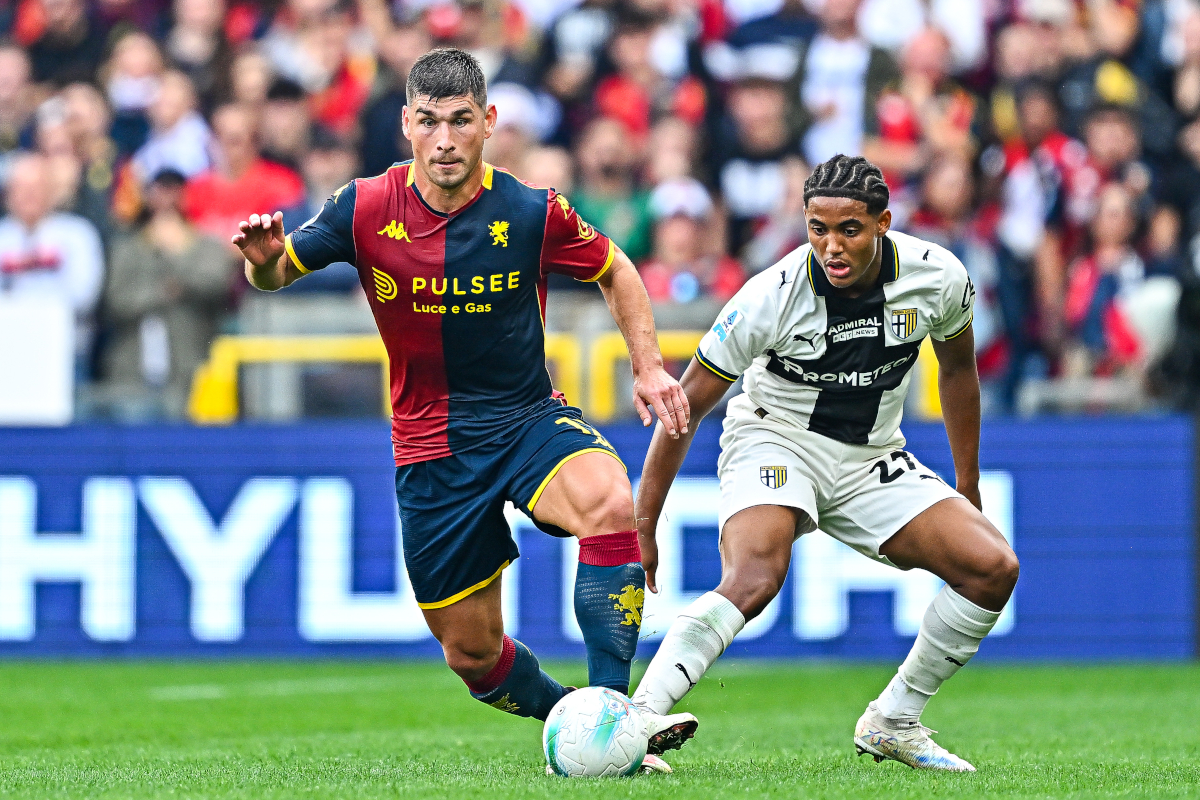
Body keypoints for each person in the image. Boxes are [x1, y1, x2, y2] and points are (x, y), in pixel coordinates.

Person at [232, 47, 695, 772]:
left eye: (460, 121)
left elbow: (616, 268)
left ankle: (617, 716)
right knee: (473, 656)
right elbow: (275, 273)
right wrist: (262, 260)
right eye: (429, 122)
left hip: (525, 420)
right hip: (431, 449)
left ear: (489, 122)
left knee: (610, 503)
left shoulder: (532, 210)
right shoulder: (364, 206)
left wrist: (647, 366)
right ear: (406, 126)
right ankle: (573, 714)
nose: (444, 139)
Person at [629, 154, 1019, 771]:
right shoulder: (771, 295)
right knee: (756, 574)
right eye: (818, 228)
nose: (831, 246)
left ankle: (894, 720)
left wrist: (966, 481)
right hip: (775, 438)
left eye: (849, 230)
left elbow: (958, 371)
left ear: (883, 223)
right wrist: (644, 521)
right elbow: (687, 406)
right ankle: (639, 719)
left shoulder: (938, 276)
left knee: (993, 569)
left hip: (871, 456)